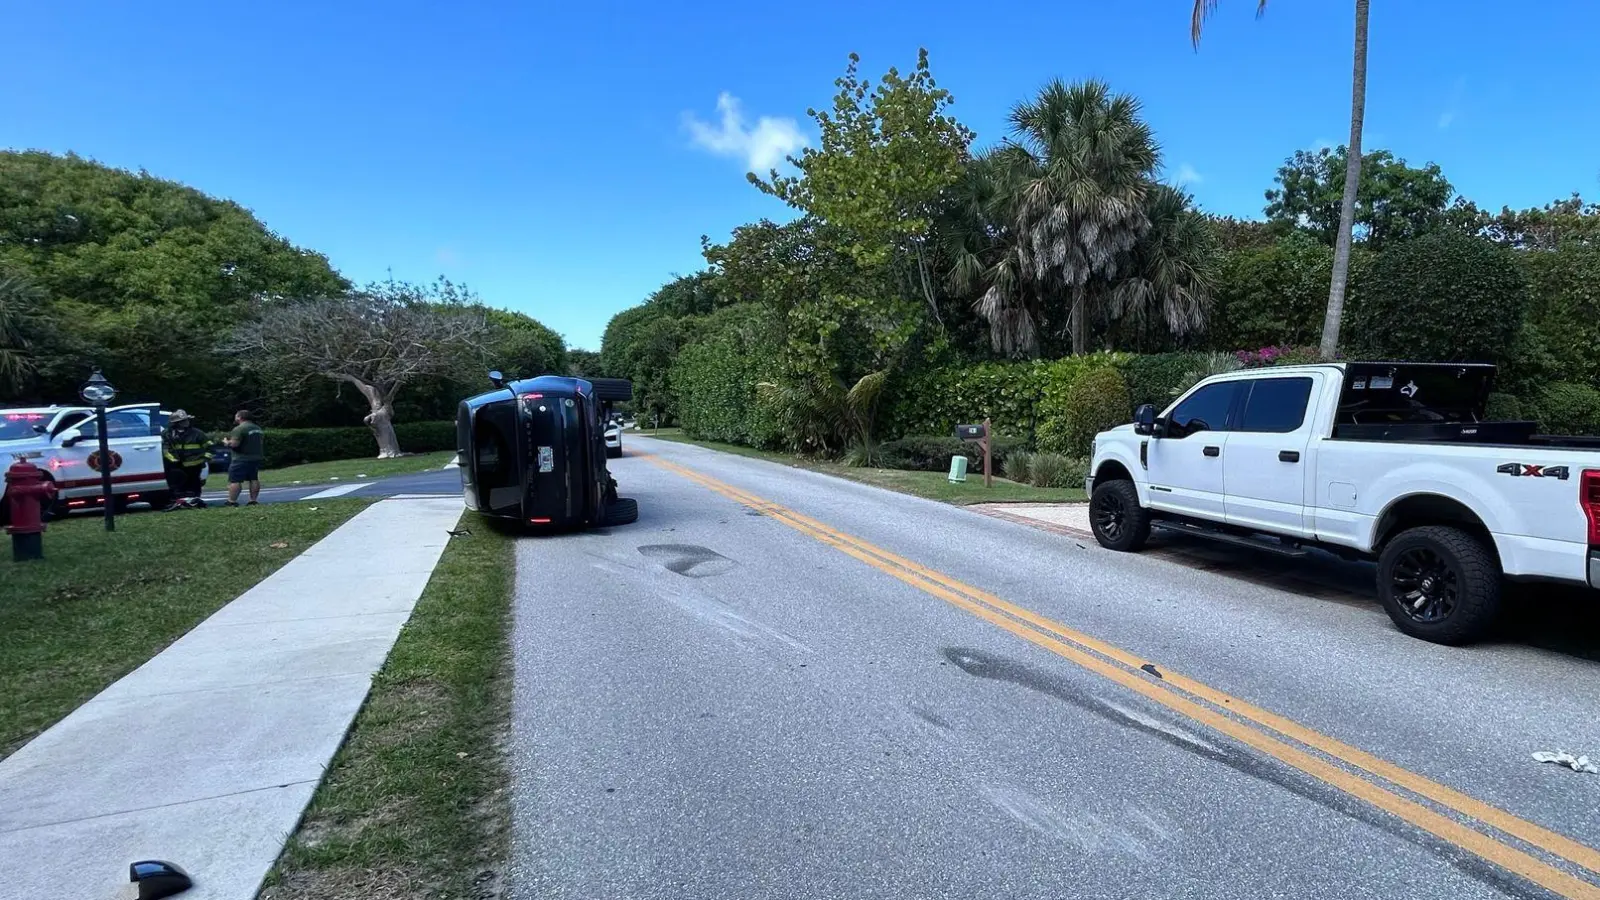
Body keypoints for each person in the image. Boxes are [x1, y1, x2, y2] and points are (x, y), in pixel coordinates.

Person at [161, 410, 212, 510]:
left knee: (194, 484)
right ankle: (180, 502)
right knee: (178, 485)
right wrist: (173, 460)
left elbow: (209, 447)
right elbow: (165, 450)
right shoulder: (168, 433)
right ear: (176, 423)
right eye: (183, 421)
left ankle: (195, 502)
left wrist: (204, 459)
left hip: (195, 465)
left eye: (187, 420)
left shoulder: (197, 433)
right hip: (177, 465)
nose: (186, 422)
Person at [223, 409, 265, 507]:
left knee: (235, 480)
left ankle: (231, 501)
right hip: (255, 457)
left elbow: (235, 444)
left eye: (236, 416)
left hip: (241, 458)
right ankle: (253, 500)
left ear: (239, 417)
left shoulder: (239, 429)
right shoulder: (257, 428)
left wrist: (226, 442)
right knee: (253, 478)